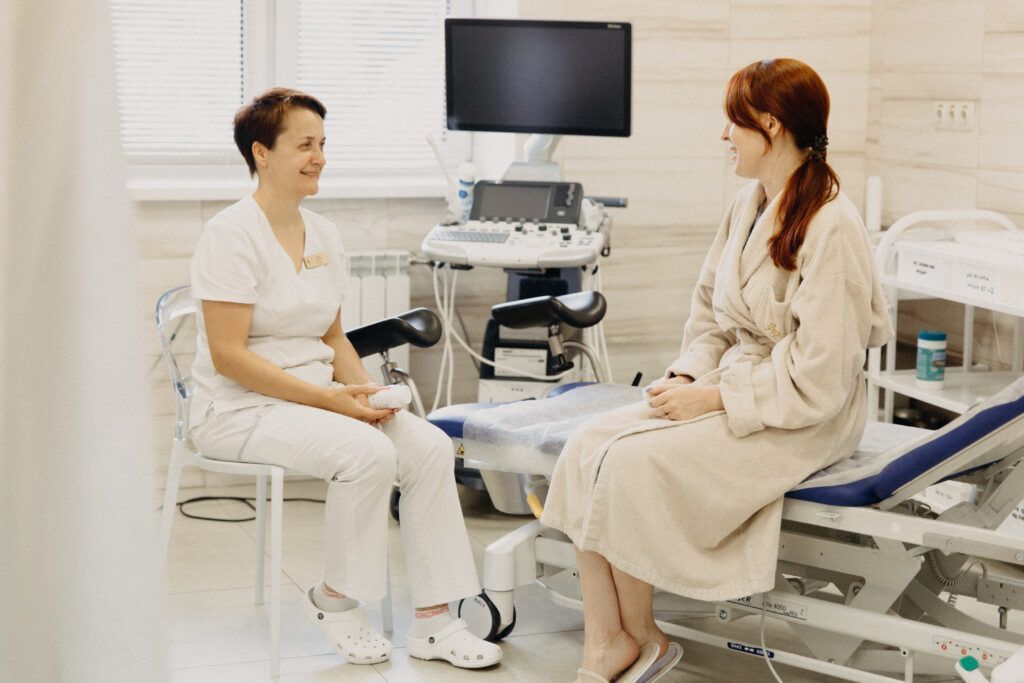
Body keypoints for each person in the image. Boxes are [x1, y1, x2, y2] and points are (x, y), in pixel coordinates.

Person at [539, 59, 893, 683]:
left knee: (630, 463)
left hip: (804, 411)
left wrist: (716, 399)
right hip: (734, 383)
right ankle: (609, 640)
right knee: (586, 446)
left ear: (771, 125)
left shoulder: (832, 223)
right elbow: (711, 314)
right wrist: (686, 377)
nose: (724, 135)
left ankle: (641, 637)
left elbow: (824, 374)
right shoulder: (747, 204)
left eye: (733, 122)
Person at [188, 87, 501, 670]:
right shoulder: (230, 235)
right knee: (366, 454)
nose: (319, 157)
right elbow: (229, 357)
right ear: (261, 152)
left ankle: (436, 621)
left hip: (316, 399)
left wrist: (367, 396)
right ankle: (336, 601)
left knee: (429, 446)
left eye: (323, 144)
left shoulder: (324, 233)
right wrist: (331, 401)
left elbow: (333, 338)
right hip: (238, 407)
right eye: (305, 145)